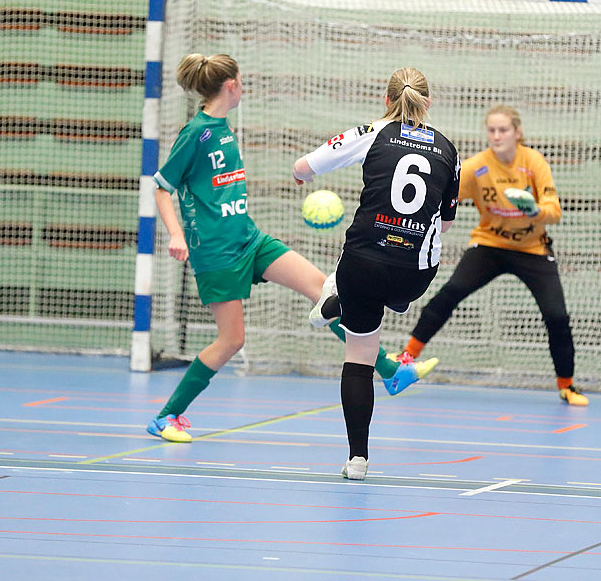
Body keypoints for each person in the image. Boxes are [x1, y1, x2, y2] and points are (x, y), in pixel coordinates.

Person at [148, 54, 425, 444]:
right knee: (232, 340)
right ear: (231, 86)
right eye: (241, 80)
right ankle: (167, 415)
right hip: (216, 252)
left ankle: (388, 370)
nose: (243, 85)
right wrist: (176, 234)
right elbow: (162, 188)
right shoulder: (197, 133)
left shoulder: (224, 127)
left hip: (249, 238)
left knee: (326, 290)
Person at [294, 68, 461, 481]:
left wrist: (303, 176)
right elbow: (446, 223)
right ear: (428, 103)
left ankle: (357, 461)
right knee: (401, 264)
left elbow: (303, 166)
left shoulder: (373, 131)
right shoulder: (449, 149)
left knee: (360, 359)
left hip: (363, 266)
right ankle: (384, 299)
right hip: (416, 275)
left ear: (387, 101)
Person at [400, 105, 586, 405]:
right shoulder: (477, 167)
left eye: (503, 130)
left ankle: (567, 385)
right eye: (492, 131)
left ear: (517, 132)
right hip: (490, 245)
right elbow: (446, 195)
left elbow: (555, 211)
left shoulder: (533, 162)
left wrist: (536, 211)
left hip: (531, 248)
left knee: (557, 316)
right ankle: (406, 357)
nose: (497, 136)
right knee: (450, 293)